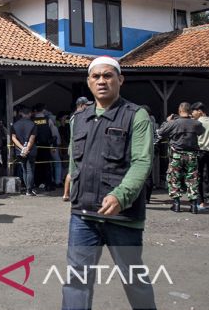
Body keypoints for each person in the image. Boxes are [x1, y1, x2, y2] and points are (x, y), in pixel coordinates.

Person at [63, 56, 155, 310]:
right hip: (83, 215)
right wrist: (71, 184)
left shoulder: (136, 116)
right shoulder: (78, 119)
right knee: (76, 280)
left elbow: (141, 162)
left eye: (108, 76)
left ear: (120, 80)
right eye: (96, 76)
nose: (102, 81)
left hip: (123, 216)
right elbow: (74, 160)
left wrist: (121, 195)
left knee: (133, 279)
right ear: (89, 82)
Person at [157, 102, 204, 213]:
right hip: (192, 155)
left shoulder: (173, 123)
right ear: (190, 111)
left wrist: (167, 122)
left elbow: (161, 132)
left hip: (176, 155)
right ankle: (193, 206)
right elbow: (201, 131)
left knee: (174, 178)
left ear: (179, 110)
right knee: (192, 179)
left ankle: (176, 204)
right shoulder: (196, 123)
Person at [63, 97, 91, 201]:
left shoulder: (75, 116)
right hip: (76, 147)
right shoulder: (77, 117)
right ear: (81, 105)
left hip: (75, 147)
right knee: (73, 171)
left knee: (73, 171)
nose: (88, 107)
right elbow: (77, 134)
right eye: (86, 105)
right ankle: (68, 194)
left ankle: (68, 194)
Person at [11, 107, 37, 196]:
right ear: (29, 114)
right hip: (30, 150)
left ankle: (27, 188)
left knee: (24, 170)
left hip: (19, 150)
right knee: (29, 170)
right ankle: (29, 190)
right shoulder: (32, 124)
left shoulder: (15, 124)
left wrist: (22, 148)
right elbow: (32, 139)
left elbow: (13, 138)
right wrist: (27, 149)